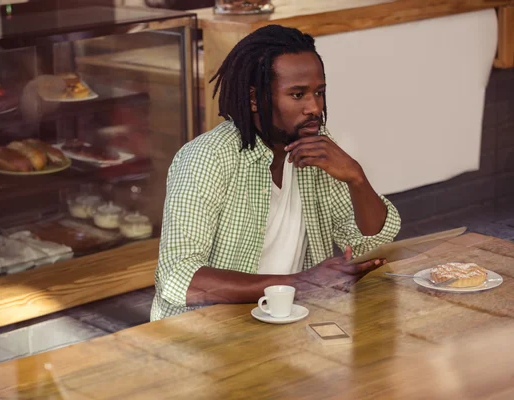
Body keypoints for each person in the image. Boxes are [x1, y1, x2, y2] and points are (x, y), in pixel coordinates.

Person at [151, 25, 401, 321]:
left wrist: (356, 177)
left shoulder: (315, 148)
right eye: (298, 95)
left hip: (292, 317)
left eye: (319, 92)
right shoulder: (208, 158)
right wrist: (302, 282)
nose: (314, 108)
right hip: (211, 329)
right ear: (255, 98)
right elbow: (178, 277)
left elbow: (369, 242)